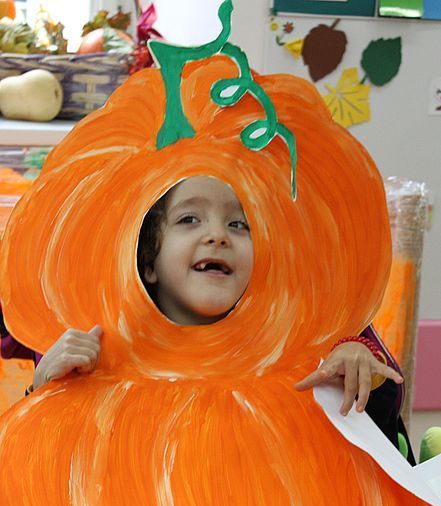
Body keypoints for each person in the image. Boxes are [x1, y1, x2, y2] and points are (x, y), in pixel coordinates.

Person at [1, 175, 411, 454]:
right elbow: (44, 478)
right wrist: (43, 393)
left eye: (239, 224)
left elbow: (371, 463)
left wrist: (360, 369)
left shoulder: (299, 349)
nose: (217, 235)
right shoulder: (99, 351)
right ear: (148, 262)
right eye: (189, 219)